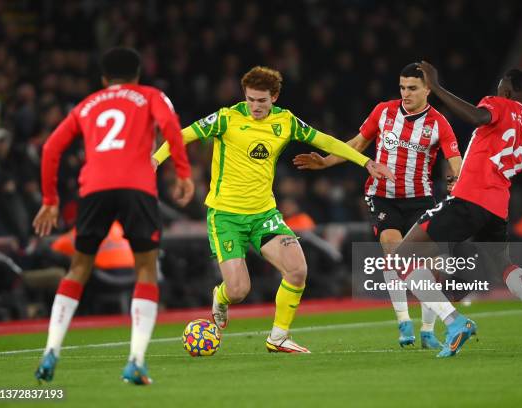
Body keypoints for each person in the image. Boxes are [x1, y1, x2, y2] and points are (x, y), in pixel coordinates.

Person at [153, 66, 393, 353]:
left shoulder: (286, 122)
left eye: (262, 101)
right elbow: (183, 135)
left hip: (264, 214)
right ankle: (221, 295)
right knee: (239, 290)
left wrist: (365, 162)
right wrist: (155, 161)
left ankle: (278, 337)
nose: (255, 106)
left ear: (275, 97)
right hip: (225, 216)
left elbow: (325, 140)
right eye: (251, 99)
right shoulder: (226, 118)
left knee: (297, 269)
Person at [389, 61, 522, 357]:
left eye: (500, 85)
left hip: (468, 200)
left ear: (508, 89)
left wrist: (435, 87)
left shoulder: (500, 103)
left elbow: (476, 116)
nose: (497, 88)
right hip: (497, 209)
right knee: (505, 266)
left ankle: (455, 322)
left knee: (400, 259)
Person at [33, 47, 194, 384]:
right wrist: (182, 172)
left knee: (79, 267)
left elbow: (50, 148)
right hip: (137, 187)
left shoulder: (86, 105)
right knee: (147, 268)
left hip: (94, 190)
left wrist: (50, 200)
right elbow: (170, 125)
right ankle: (135, 360)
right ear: (137, 75)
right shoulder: (150, 95)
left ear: (103, 79)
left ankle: (51, 351)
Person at [293, 63, 462, 349]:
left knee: (433, 266)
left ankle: (427, 330)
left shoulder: (439, 123)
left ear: (427, 90)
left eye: (412, 88)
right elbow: (357, 144)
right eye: (402, 87)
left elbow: (455, 160)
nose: (405, 93)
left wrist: (458, 183)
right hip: (382, 195)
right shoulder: (384, 111)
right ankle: (403, 321)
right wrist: (326, 161)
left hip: (420, 198)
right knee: (393, 249)